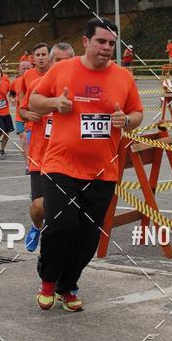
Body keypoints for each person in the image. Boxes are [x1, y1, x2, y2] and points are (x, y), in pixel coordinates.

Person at [29, 19, 143, 312]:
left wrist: (126, 121)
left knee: (88, 237)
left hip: (103, 169)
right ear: (85, 41)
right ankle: (48, 280)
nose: (106, 48)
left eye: (111, 43)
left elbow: (137, 112)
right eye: (101, 42)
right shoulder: (62, 69)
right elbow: (34, 100)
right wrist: (56, 103)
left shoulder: (124, 77)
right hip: (60, 165)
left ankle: (68, 286)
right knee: (61, 226)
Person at [19, 43, 74, 252]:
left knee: (63, 210)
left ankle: (55, 251)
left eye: (67, 60)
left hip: (67, 159)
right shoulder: (38, 86)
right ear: (52, 62)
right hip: (40, 156)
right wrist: (29, 115)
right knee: (38, 206)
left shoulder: (77, 88)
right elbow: (23, 110)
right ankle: (36, 226)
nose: (63, 65)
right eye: (58, 60)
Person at [10, 60, 33, 170]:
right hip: (20, 116)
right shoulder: (16, 82)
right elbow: (12, 94)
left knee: (31, 141)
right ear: (19, 70)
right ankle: (28, 164)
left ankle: (35, 162)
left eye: (28, 68)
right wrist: (12, 99)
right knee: (24, 140)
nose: (26, 70)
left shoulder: (36, 80)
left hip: (32, 116)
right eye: (24, 68)